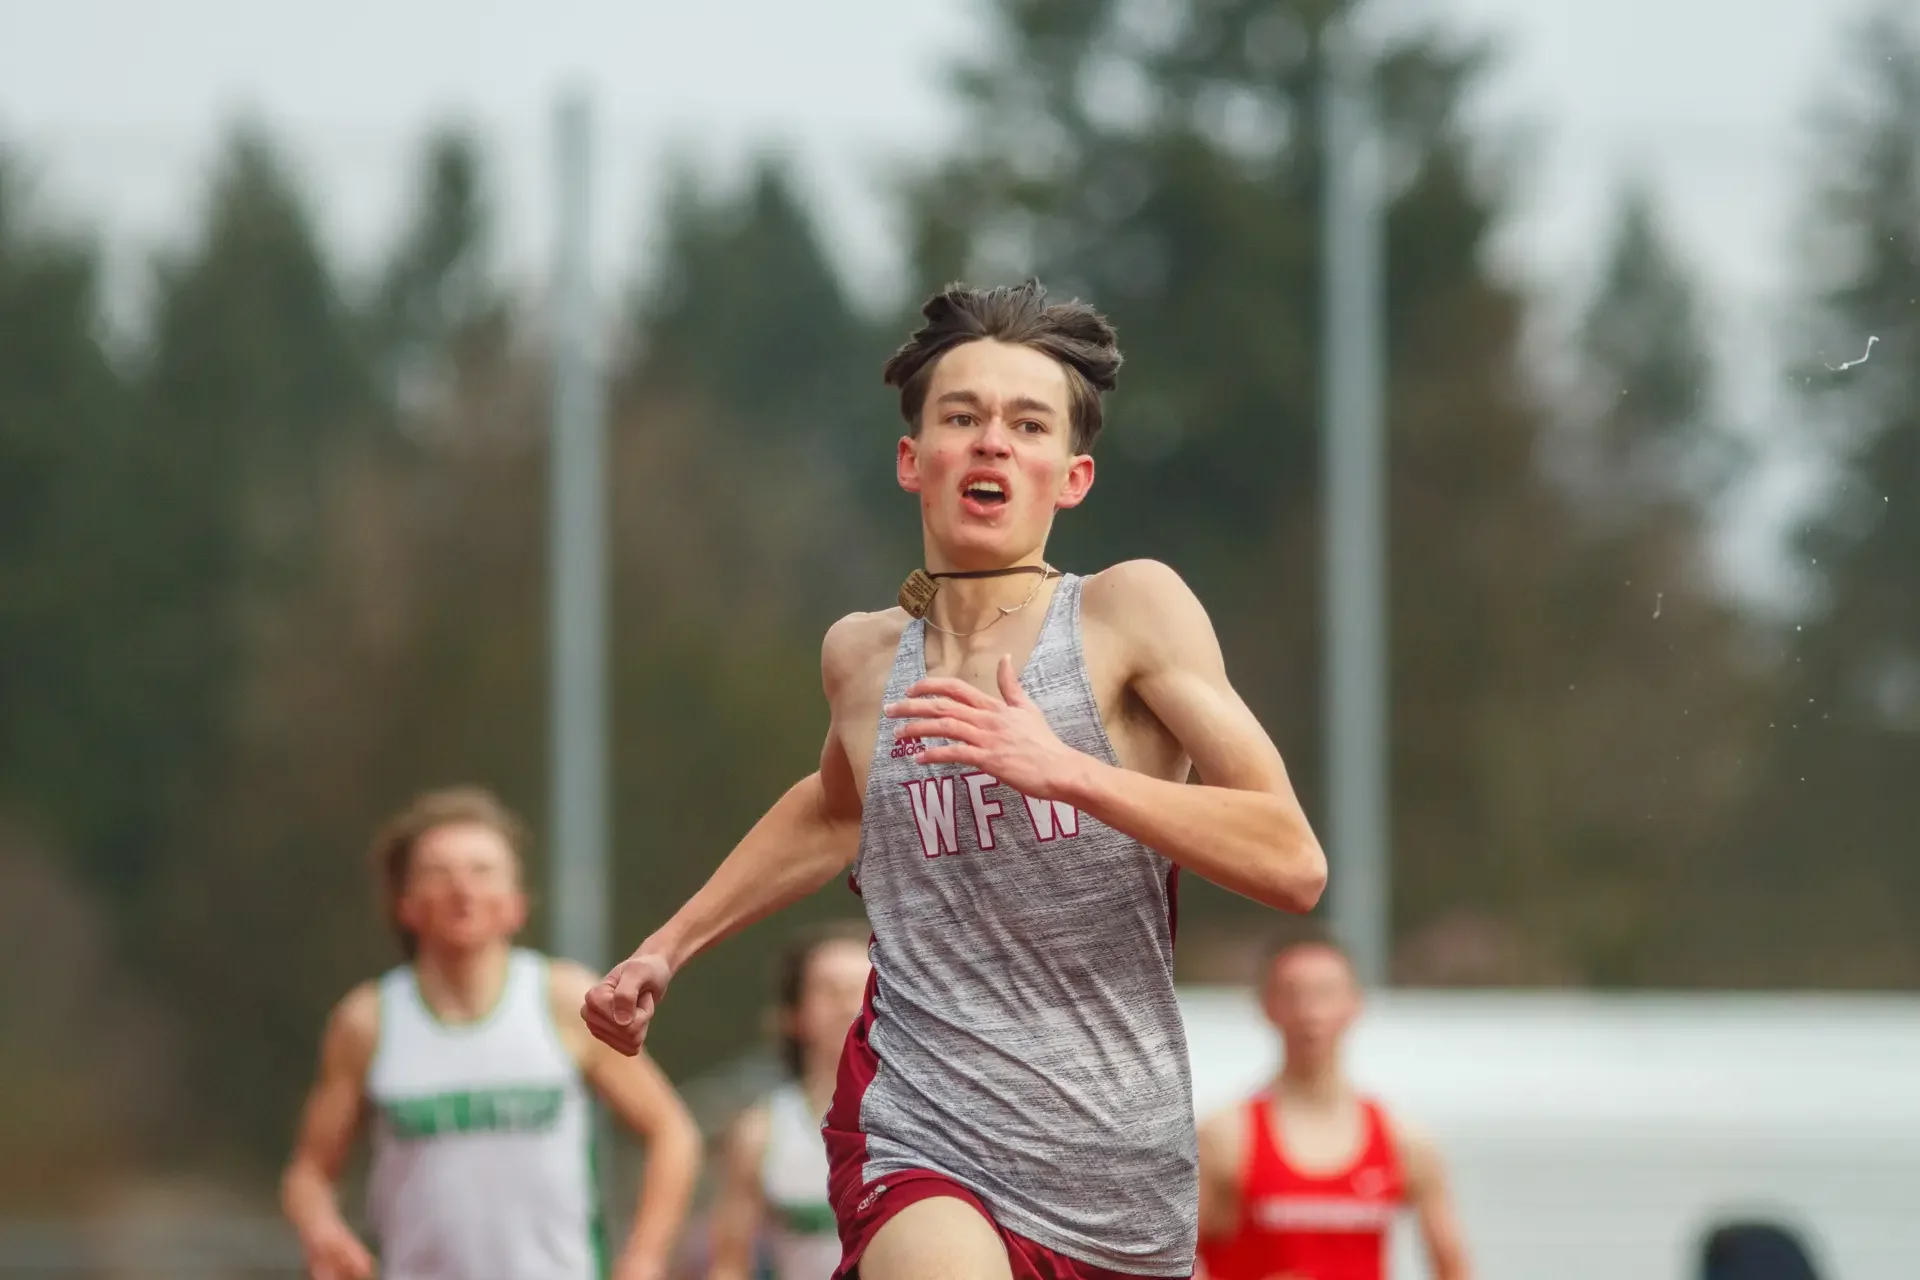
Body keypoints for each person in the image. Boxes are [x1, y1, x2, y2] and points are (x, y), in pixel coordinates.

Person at [582, 279, 1327, 1280]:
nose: (992, 444)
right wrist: (666, 947)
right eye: (963, 417)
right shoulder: (862, 657)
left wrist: (1068, 773)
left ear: (1072, 477)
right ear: (914, 458)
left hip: (1118, 1172)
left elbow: (1291, 858)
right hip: (921, 1127)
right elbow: (832, 811)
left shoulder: (1127, 613)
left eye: (1028, 425)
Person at [281, 786, 703, 1280]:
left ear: (515, 904)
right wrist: (322, 1231)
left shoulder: (564, 1000)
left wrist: (645, 1257)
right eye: (439, 873)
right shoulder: (368, 1021)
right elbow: (309, 1173)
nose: (462, 889)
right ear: (405, 905)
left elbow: (672, 1132)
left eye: (482, 871)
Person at [1195, 936, 1470, 1280]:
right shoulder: (1225, 1137)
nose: (1310, 1012)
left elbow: (1453, 1266)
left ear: (1355, 1004)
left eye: (1325, 994)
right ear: (1266, 1005)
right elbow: (1166, 1265)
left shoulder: (1404, 1140)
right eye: (1293, 994)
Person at [707, 922, 874, 1280]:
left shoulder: (932, 1123)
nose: (847, 1005)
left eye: (861, 989)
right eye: (830, 990)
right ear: (794, 1014)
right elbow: (730, 1263)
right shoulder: (760, 1131)